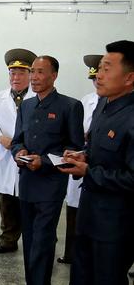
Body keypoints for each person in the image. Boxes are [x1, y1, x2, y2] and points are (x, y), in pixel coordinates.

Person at [48, 40, 134, 285]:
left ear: (130, 78)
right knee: (82, 284)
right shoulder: (103, 107)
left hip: (117, 222)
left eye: (108, 67)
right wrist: (83, 157)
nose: (99, 73)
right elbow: (102, 155)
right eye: (100, 67)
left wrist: (90, 172)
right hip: (91, 213)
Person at [10, 56, 84, 285]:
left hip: (51, 185)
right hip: (27, 183)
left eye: (41, 72)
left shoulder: (69, 106)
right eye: (33, 72)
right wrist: (19, 153)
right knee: (29, 241)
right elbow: (17, 140)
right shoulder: (26, 106)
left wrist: (46, 160)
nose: (35, 77)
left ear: (54, 76)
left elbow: (77, 150)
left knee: (41, 242)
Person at [0, 48, 37, 254]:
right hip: (6, 157)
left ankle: (35, 241)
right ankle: (8, 240)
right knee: (7, 202)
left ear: (30, 75)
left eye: (21, 73)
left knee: (30, 201)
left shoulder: (37, 97)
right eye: (12, 73)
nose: (16, 78)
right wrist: (1, 139)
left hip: (29, 156)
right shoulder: (0, 97)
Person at [57, 55, 101, 265]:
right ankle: (71, 253)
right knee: (74, 208)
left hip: (102, 168)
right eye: (93, 79)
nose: (97, 83)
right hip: (81, 159)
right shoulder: (86, 100)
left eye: (100, 77)